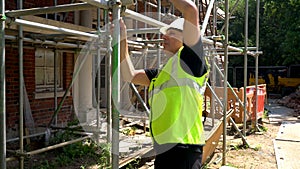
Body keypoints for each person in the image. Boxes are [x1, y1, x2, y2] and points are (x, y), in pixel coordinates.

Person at [117, 0, 209, 168]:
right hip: (163, 149)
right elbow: (128, 74)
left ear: (186, 37)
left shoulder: (191, 61)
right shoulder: (163, 73)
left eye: (172, 33)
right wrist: (122, 37)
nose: (165, 36)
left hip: (184, 149)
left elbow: (190, 10)